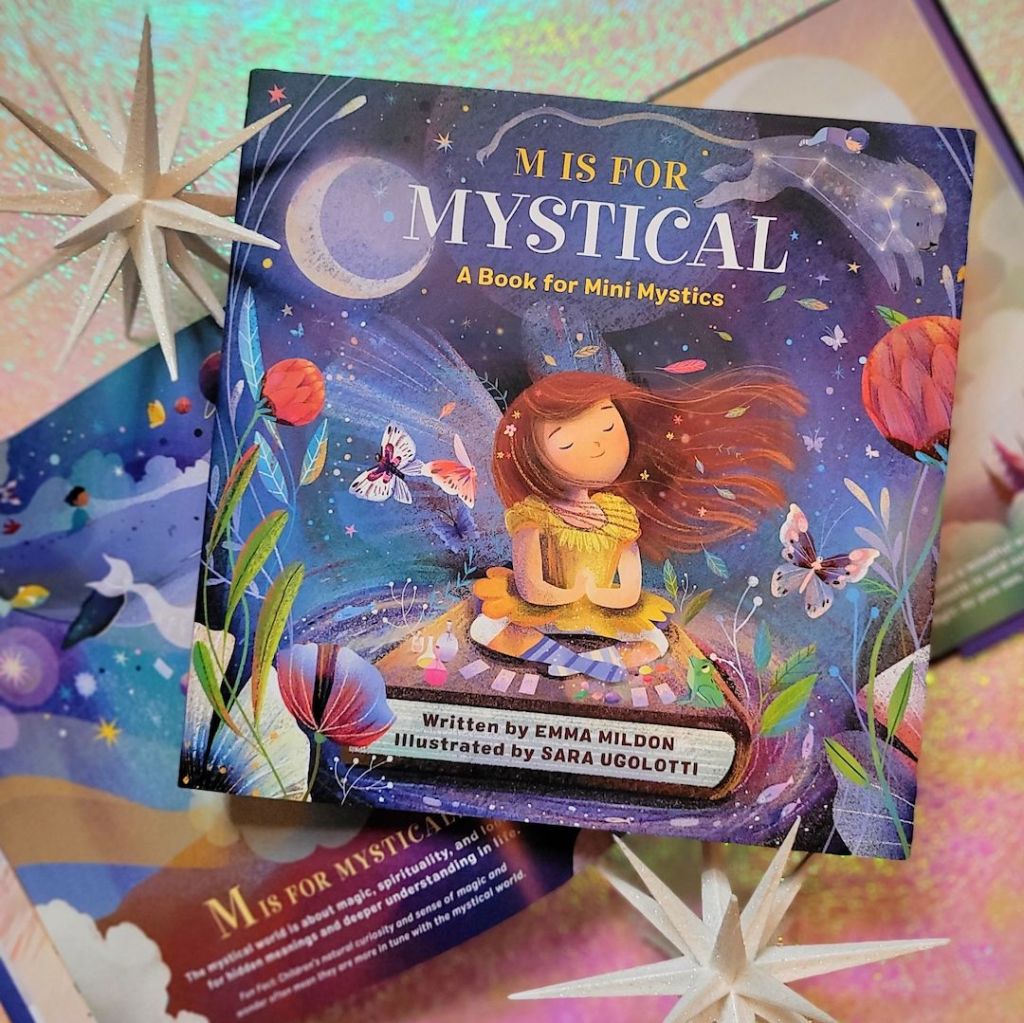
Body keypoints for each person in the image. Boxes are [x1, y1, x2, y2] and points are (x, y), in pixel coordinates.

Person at [470, 370, 806, 683]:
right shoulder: (535, 514)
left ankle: (592, 661)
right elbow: (531, 587)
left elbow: (630, 586)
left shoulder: (617, 514)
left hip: (600, 612)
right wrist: (569, 594)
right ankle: (568, 660)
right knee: (486, 627)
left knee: (655, 641)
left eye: (608, 427)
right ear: (533, 458)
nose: (598, 447)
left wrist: (602, 597)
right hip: (545, 610)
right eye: (566, 444)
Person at [798, 126, 870, 152]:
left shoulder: (849, 138)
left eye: (856, 148)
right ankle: (804, 141)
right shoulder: (844, 141)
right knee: (811, 142)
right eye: (852, 145)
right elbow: (846, 149)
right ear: (849, 139)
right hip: (825, 133)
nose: (853, 148)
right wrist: (854, 151)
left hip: (828, 137)